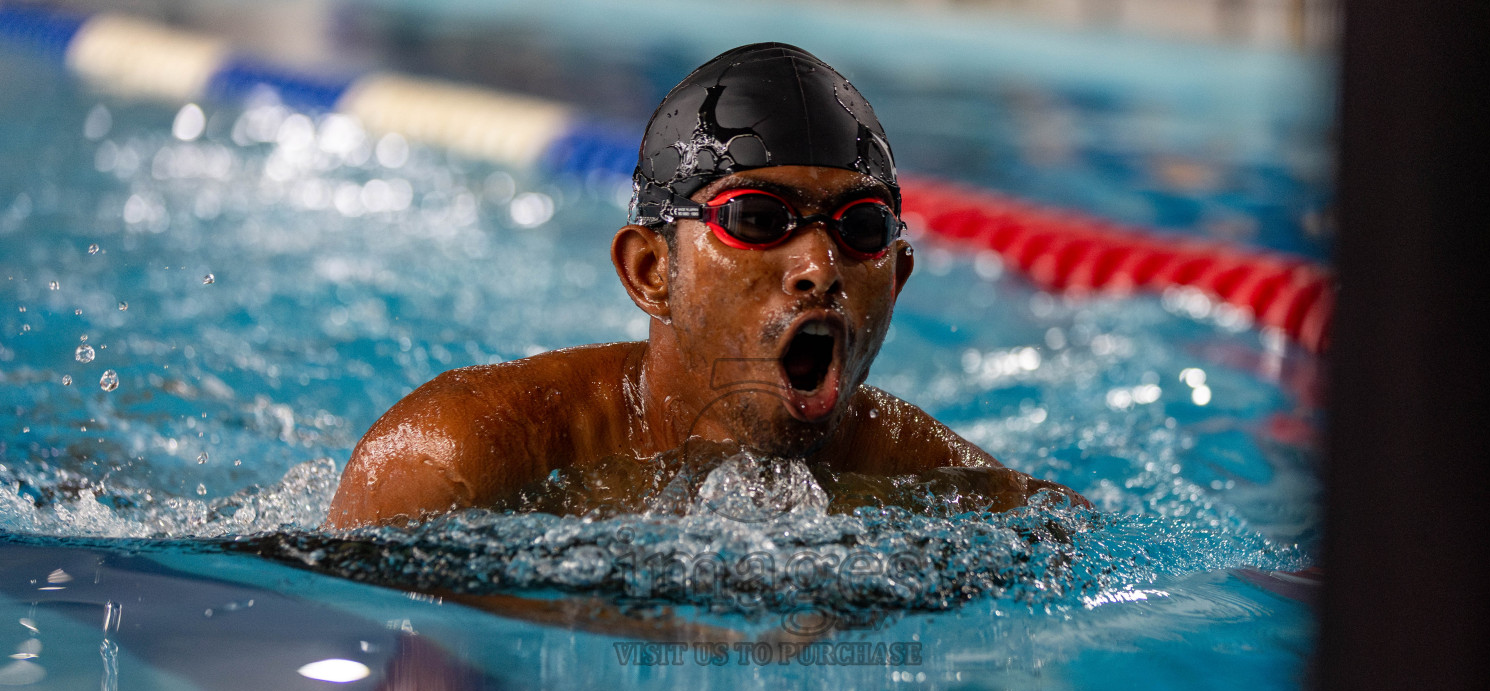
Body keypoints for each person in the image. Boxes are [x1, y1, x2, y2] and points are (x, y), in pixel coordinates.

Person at [326, 42, 1082, 530]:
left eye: (861, 228)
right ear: (651, 272)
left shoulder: (959, 501)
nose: (821, 268)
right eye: (757, 218)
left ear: (900, 277)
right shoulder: (454, 464)